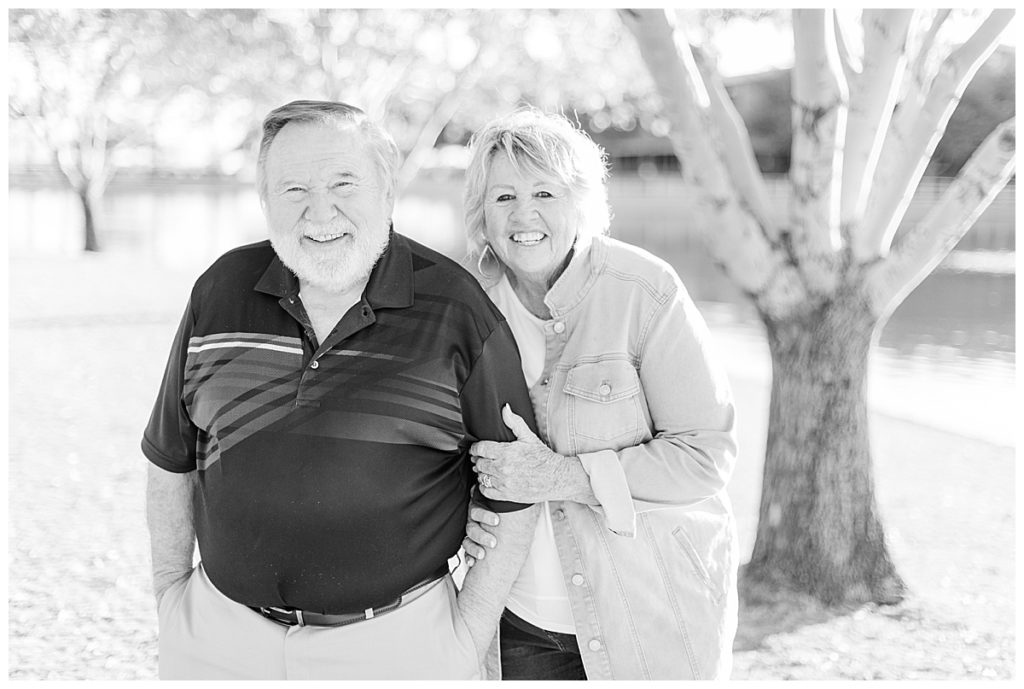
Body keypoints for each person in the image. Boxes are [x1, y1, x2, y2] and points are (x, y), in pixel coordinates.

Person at [142, 100, 540, 680]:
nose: (319, 211)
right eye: (294, 188)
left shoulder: (455, 307)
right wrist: (170, 595)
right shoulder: (220, 290)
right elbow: (169, 459)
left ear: (386, 190)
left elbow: (516, 489)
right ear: (265, 200)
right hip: (216, 640)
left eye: (343, 183)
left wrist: (466, 637)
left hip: (396, 649)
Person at [459, 109, 739, 680]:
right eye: (503, 196)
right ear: (482, 214)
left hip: (646, 620)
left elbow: (704, 456)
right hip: (512, 625)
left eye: (545, 192)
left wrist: (563, 476)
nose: (524, 214)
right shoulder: (466, 307)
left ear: (582, 202)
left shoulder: (645, 290)